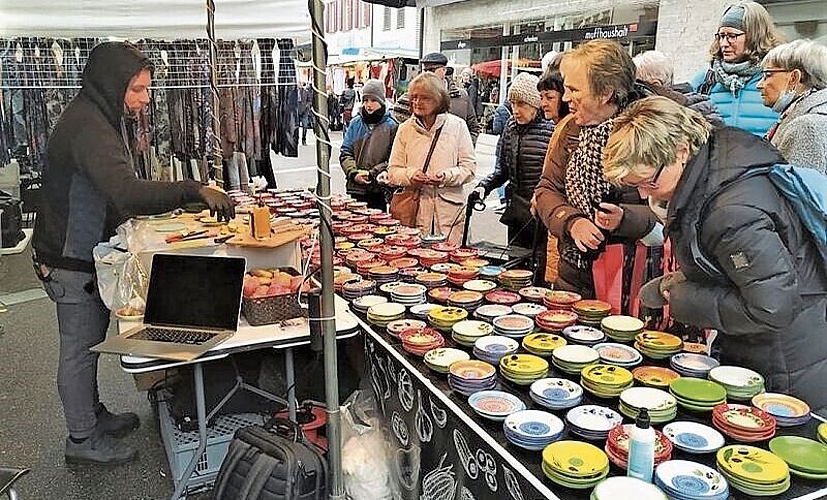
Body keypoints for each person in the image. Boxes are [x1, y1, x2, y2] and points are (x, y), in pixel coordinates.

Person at [31, 41, 235, 465]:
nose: (145, 100)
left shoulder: (96, 115)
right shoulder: (89, 126)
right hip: (69, 259)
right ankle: (81, 440)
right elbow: (125, 191)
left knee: (87, 343)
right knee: (79, 349)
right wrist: (191, 189)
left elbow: (113, 190)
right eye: (138, 90)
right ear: (113, 83)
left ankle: (91, 416)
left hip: (78, 252)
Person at [602, 96, 827, 414]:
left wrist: (682, 297)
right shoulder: (711, 172)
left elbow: (772, 307)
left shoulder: (731, 210)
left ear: (680, 151)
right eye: (632, 185)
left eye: (649, 181)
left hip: (786, 365)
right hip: (768, 350)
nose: (642, 194)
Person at [534, 40, 660, 300]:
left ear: (605, 93)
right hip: (572, 273)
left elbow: (674, 211)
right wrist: (572, 221)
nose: (566, 98)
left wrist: (625, 219)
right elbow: (547, 189)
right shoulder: (571, 129)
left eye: (574, 90)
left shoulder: (649, 133)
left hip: (629, 278)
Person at [473, 73, 554, 282]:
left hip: (542, 214)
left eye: (521, 104)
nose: (516, 110)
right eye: (513, 104)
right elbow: (502, 170)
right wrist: (484, 187)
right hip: (517, 210)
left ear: (535, 104)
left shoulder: (552, 129)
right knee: (514, 270)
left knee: (538, 270)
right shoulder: (510, 127)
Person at [386, 72, 476, 243]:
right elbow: (393, 171)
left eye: (424, 97)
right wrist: (411, 175)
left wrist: (446, 176)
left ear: (438, 99)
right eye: (414, 97)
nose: (417, 102)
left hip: (450, 214)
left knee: (452, 263)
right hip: (415, 212)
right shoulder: (405, 129)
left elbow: (469, 168)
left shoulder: (457, 126)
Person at [689, 1, 782, 136]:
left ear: (754, 36)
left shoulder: (777, 78)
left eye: (732, 36)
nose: (723, 44)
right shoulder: (705, 79)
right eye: (721, 36)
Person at [758, 39, 827, 173]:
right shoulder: (811, 115)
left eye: (767, 75)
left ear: (794, 78)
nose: (759, 85)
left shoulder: (806, 126)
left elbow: (798, 190)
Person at [393, 52, 480, 145]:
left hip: (453, 156)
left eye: (431, 70)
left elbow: (473, 127)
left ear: (444, 70)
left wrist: (464, 148)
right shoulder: (414, 96)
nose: (427, 74)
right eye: (425, 70)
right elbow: (401, 128)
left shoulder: (461, 96)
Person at [339, 79, 399, 210]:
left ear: (381, 101)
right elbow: (345, 152)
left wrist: (372, 173)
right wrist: (353, 173)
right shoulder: (355, 123)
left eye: (373, 100)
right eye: (366, 100)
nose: (368, 105)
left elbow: (393, 159)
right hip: (356, 188)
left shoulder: (392, 126)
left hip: (378, 189)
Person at [633, 50, 724, 127]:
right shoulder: (697, 108)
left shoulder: (672, 116)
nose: (633, 92)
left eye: (638, 86)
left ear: (656, 85)